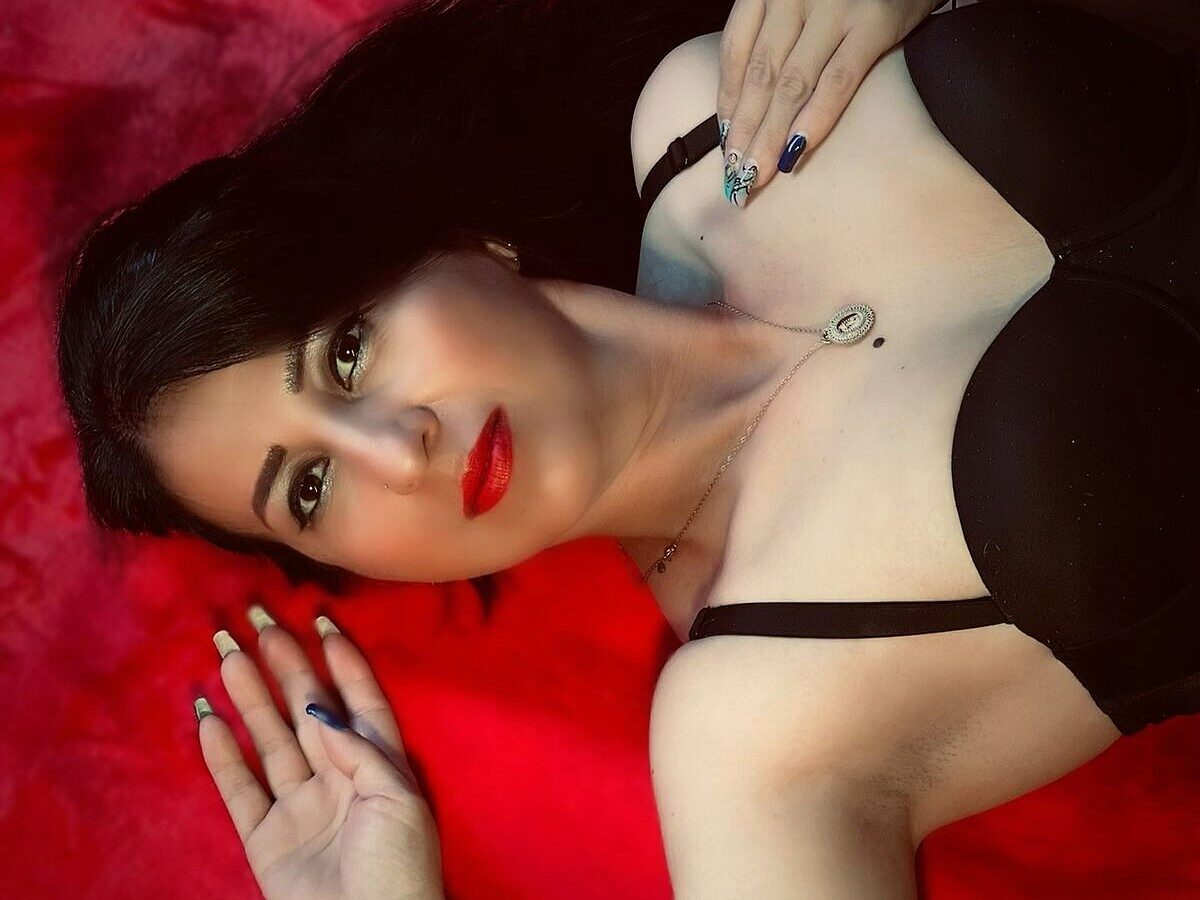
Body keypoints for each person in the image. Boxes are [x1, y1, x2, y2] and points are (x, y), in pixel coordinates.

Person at [53, 0, 1200, 897]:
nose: (399, 452)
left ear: (462, 246)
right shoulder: (750, 731)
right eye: (311, 487)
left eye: (347, 354)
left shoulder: (705, 111)